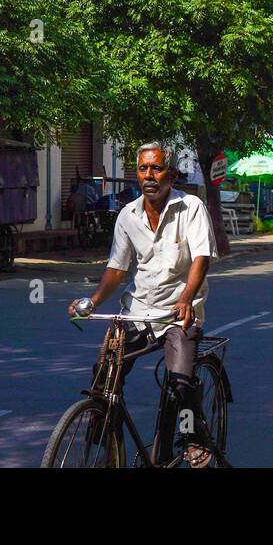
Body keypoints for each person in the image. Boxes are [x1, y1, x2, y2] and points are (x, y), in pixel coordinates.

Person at [69, 142, 215, 466]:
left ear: (172, 174)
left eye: (157, 168)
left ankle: (193, 437)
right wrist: (92, 301)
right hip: (137, 312)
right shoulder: (127, 216)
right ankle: (108, 440)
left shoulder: (191, 207)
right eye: (143, 169)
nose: (149, 176)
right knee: (105, 371)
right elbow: (117, 269)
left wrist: (187, 299)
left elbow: (202, 258)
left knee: (180, 379)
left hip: (178, 314)